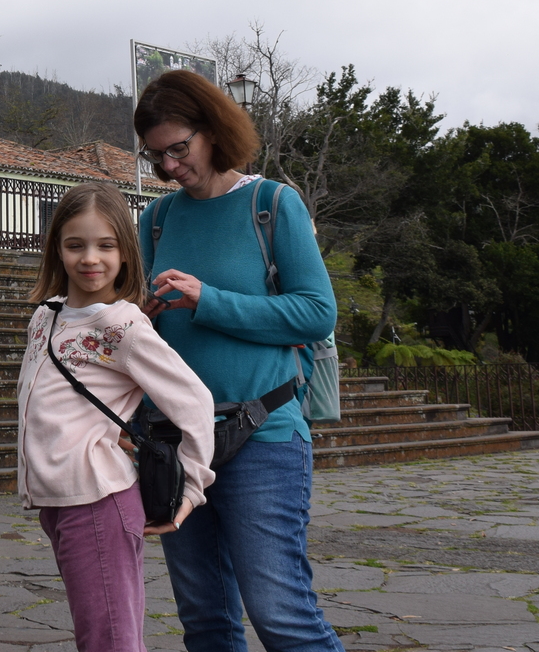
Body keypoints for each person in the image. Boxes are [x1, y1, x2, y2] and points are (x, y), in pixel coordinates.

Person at [135, 70, 341, 652]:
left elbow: (316, 312)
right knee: (206, 622)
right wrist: (142, 319)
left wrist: (209, 300)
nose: (170, 165)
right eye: (156, 155)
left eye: (180, 148)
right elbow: (149, 338)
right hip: (177, 442)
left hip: (262, 434)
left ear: (213, 130)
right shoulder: (156, 219)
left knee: (282, 616)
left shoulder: (271, 203)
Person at [18, 180, 216, 652]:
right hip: (58, 502)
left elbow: (194, 401)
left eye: (106, 245)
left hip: (97, 501)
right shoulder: (45, 316)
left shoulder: (122, 325)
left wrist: (193, 486)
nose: (91, 258)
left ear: (125, 252)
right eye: (75, 245)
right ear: (56, 249)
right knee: (103, 638)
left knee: (109, 641)